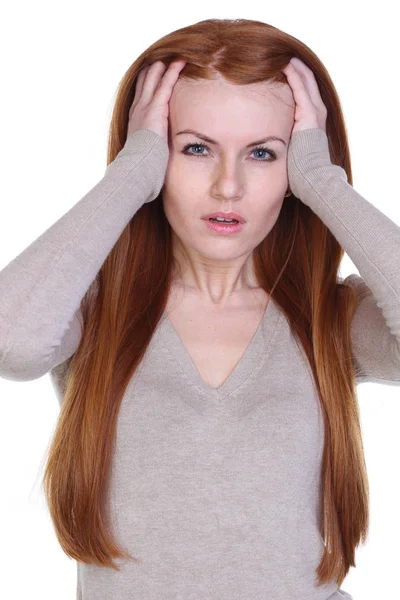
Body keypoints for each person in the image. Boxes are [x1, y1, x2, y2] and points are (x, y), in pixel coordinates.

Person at [0, 17, 398, 600]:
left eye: (263, 153)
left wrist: (322, 178)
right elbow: (13, 344)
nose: (227, 186)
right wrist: (130, 174)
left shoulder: (331, 317)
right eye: (195, 148)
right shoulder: (91, 312)